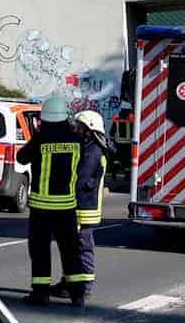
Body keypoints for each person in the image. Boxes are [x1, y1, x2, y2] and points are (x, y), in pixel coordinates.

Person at [18, 96, 87, 308]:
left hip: (42, 207)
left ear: (45, 118)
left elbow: (22, 157)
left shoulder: (41, 139)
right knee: (71, 251)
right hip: (67, 206)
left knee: (40, 250)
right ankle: (77, 295)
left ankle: (40, 293)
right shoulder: (76, 139)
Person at [72, 110, 115, 294]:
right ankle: (72, 283)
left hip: (84, 208)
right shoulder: (90, 147)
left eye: (79, 127)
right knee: (74, 248)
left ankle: (85, 285)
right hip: (83, 206)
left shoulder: (93, 151)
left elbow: (80, 179)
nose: (76, 129)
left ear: (89, 129)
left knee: (83, 247)